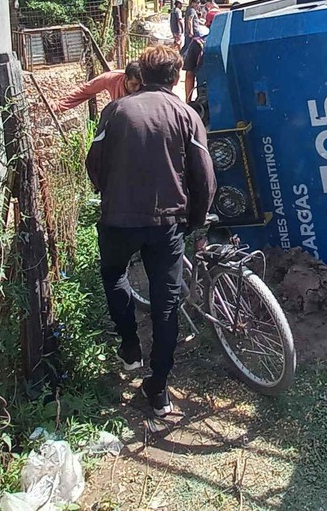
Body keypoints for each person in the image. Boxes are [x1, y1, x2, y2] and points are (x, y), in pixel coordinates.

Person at [86, 44, 215, 417]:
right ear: (175, 78)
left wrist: (107, 191)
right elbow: (204, 176)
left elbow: (94, 164)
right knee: (166, 304)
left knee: (114, 275)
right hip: (167, 224)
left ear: (140, 75)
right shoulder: (185, 115)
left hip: (118, 220)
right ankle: (158, 388)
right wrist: (195, 217)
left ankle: (129, 348)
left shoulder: (116, 110)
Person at [55, 61, 140, 113]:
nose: (137, 89)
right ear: (125, 78)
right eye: (134, 84)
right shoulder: (111, 78)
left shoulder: (148, 83)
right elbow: (85, 90)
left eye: (140, 85)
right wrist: (60, 105)